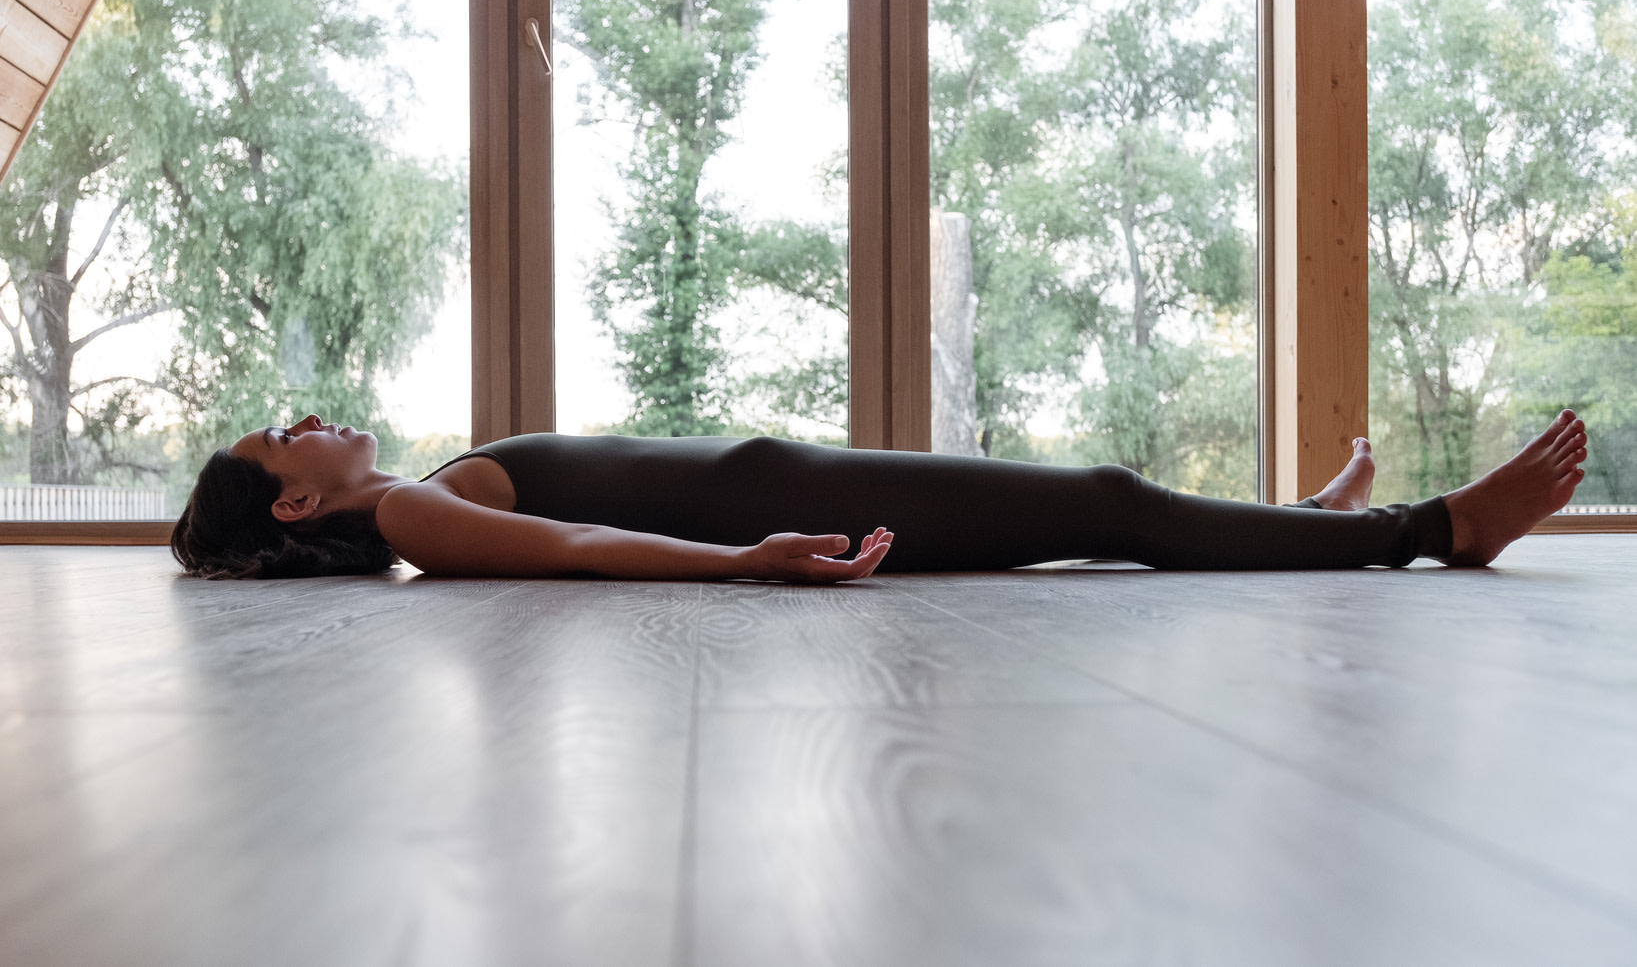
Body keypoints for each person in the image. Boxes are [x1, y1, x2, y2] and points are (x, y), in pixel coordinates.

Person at [169, 409, 1590, 582]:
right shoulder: (409, 512)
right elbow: (577, 536)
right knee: (1096, 500)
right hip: (794, 502)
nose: (304, 422)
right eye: (277, 441)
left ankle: (1316, 518)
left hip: (795, 477)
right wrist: (744, 566)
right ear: (296, 507)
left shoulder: (414, 492)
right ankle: (1423, 532)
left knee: (1096, 507)